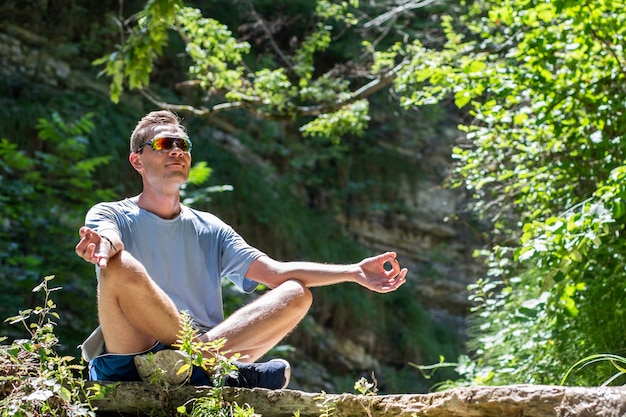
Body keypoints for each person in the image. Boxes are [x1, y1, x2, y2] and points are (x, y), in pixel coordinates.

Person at [75, 110, 408, 389]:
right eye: (164, 144)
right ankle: (216, 367)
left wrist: (353, 272)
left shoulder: (211, 228)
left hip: (205, 346)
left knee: (296, 293)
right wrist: (103, 246)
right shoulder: (111, 213)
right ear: (138, 160)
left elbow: (275, 272)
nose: (176, 151)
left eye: (183, 145)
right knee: (119, 265)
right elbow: (108, 237)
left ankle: (196, 362)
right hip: (133, 351)